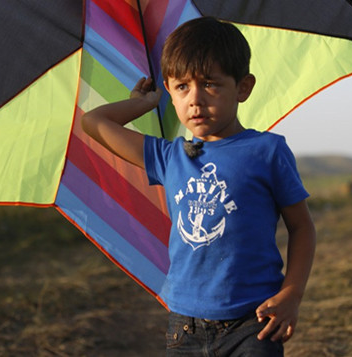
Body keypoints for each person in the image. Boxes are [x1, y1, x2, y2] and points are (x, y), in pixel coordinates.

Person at [81, 17, 315, 356]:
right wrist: (145, 103)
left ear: (243, 88)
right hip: (184, 326)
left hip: (253, 322)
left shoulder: (267, 151)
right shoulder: (168, 156)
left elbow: (302, 226)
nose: (195, 100)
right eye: (181, 87)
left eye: (210, 84)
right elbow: (95, 122)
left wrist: (292, 294)